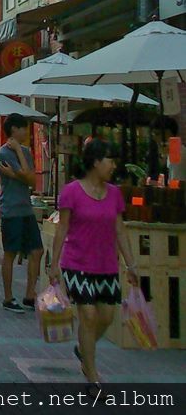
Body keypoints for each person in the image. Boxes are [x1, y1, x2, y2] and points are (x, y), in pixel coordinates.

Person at [50, 139, 138, 387]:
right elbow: (62, 229)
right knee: (88, 316)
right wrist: (54, 264)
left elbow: (120, 230)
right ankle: (92, 375)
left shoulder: (115, 194)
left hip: (106, 265)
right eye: (110, 160)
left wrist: (131, 265)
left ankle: (83, 349)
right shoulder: (71, 191)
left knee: (106, 317)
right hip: (77, 263)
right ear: (95, 162)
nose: (113, 165)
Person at [0, 113, 43, 314]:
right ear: (14, 129)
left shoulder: (24, 151)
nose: (26, 132)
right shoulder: (3, 153)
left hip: (26, 208)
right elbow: (26, 175)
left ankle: (30, 294)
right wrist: (20, 173)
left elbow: (31, 180)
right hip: (11, 209)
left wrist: (19, 154)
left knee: (37, 250)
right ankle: (8, 297)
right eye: (24, 128)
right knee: (10, 253)